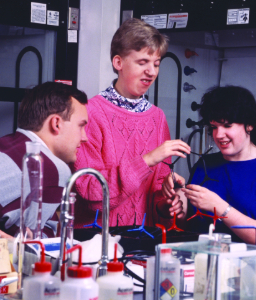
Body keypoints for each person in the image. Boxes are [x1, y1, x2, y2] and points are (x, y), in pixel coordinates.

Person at [73, 18, 190, 228]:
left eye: (156, 64)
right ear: (118, 63)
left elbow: (156, 191)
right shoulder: (90, 112)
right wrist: (147, 160)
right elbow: (91, 192)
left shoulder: (158, 117)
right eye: (142, 62)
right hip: (95, 244)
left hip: (142, 243)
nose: (152, 72)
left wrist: (169, 202)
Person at [163, 85, 256, 247]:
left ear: (250, 124)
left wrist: (220, 208)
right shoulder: (204, 164)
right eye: (213, 127)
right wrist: (177, 200)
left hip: (248, 269)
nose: (218, 135)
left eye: (227, 125)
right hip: (198, 263)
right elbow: (188, 227)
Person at [0, 82, 88, 238]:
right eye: (81, 126)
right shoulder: (50, 167)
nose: (84, 137)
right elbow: (34, 245)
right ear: (56, 123)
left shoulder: (4, 143)